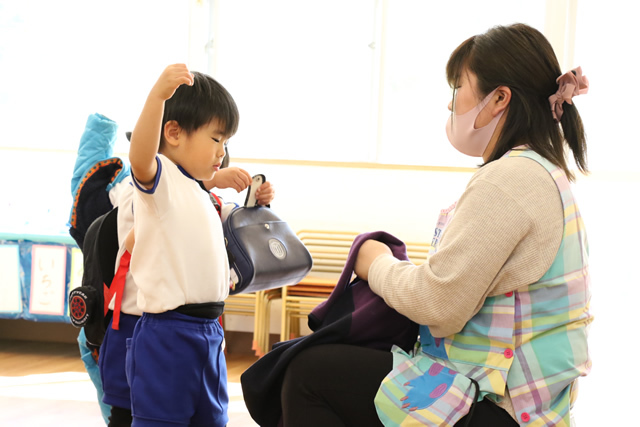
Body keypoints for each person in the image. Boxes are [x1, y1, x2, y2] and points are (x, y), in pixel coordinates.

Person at [279, 23, 592, 426]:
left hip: (501, 408)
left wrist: (374, 262)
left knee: (307, 373)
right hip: (530, 404)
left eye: (457, 87)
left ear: (499, 99)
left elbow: (438, 306)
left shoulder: (510, 180)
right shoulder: (543, 173)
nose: (451, 105)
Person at [99, 162, 274, 427]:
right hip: (137, 322)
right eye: (214, 140)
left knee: (191, 413)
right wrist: (209, 182)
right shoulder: (141, 190)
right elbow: (151, 226)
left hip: (191, 328)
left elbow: (241, 227)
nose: (218, 152)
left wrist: (258, 204)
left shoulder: (209, 201)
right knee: (129, 412)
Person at [124, 63, 249, 426]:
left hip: (209, 332)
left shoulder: (193, 188)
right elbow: (141, 158)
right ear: (174, 133)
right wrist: (158, 96)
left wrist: (217, 180)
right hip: (169, 333)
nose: (221, 153)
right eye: (215, 140)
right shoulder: (159, 175)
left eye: (225, 143)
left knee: (211, 419)